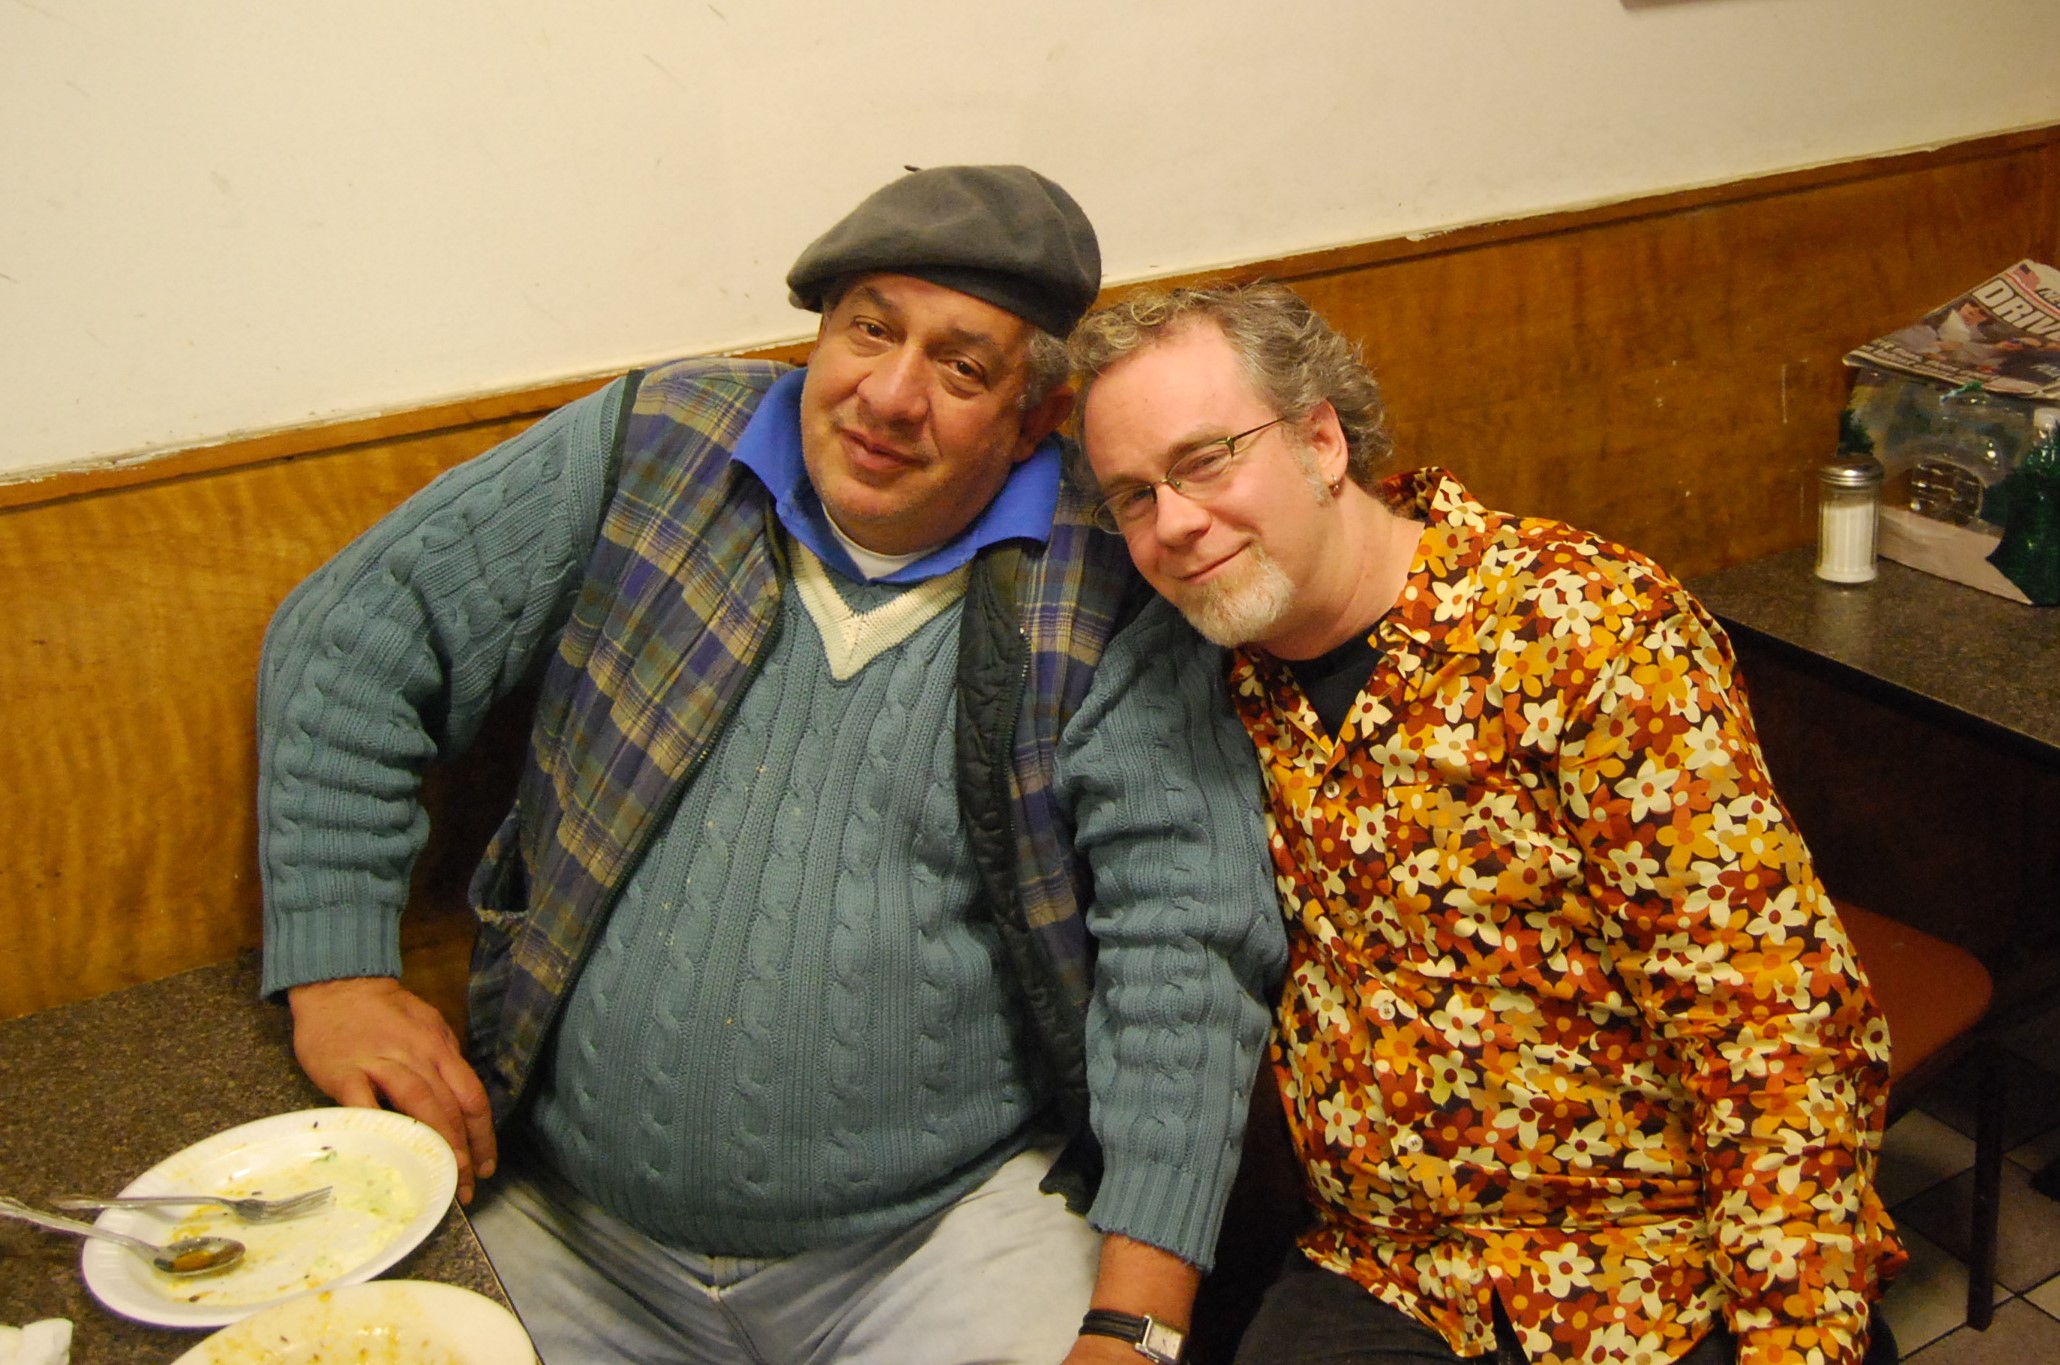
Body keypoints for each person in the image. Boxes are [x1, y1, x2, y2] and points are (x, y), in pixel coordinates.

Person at [258, 167, 1286, 1365]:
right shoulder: (656, 442)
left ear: (1033, 418)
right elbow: (358, 637)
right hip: (560, 1217)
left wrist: (1135, 1321)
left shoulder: (1107, 562)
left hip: (941, 1240)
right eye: (868, 328)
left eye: (961, 368)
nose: (889, 397)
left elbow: (1187, 935)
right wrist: (334, 970)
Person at [1069, 283, 1905, 1365]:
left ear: (1321, 440)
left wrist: (1794, 1340)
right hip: (1389, 1270)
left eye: (1205, 460)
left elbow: (1774, 1027)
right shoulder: (1201, 684)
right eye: (1133, 496)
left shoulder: (1585, 634)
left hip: (1646, 1272)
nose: (1173, 523)